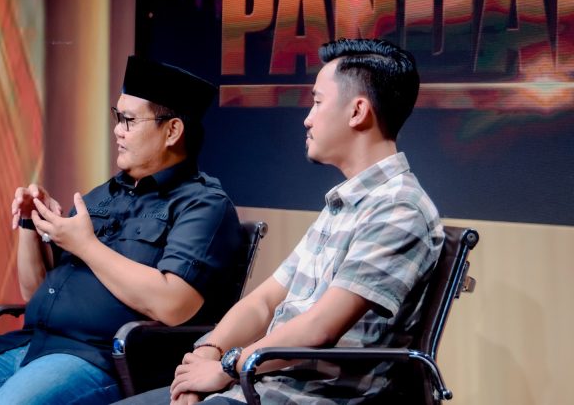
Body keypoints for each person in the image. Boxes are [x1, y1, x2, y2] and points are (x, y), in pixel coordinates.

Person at [0, 56, 242, 405]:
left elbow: (174, 305)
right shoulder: (104, 195)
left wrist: (86, 245)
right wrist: (30, 224)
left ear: (172, 131)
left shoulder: (203, 204)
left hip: (99, 359)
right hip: (31, 344)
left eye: (129, 120)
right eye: (117, 117)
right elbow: (35, 291)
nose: (117, 130)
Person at [116, 38, 444, 405]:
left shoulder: (398, 208)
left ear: (357, 112)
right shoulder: (348, 202)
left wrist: (226, 367)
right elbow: (265, 301)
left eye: (317, 102)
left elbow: (320, 328)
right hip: (257, 384)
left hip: (305, 396)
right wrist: (207, 353)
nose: (307, 118)